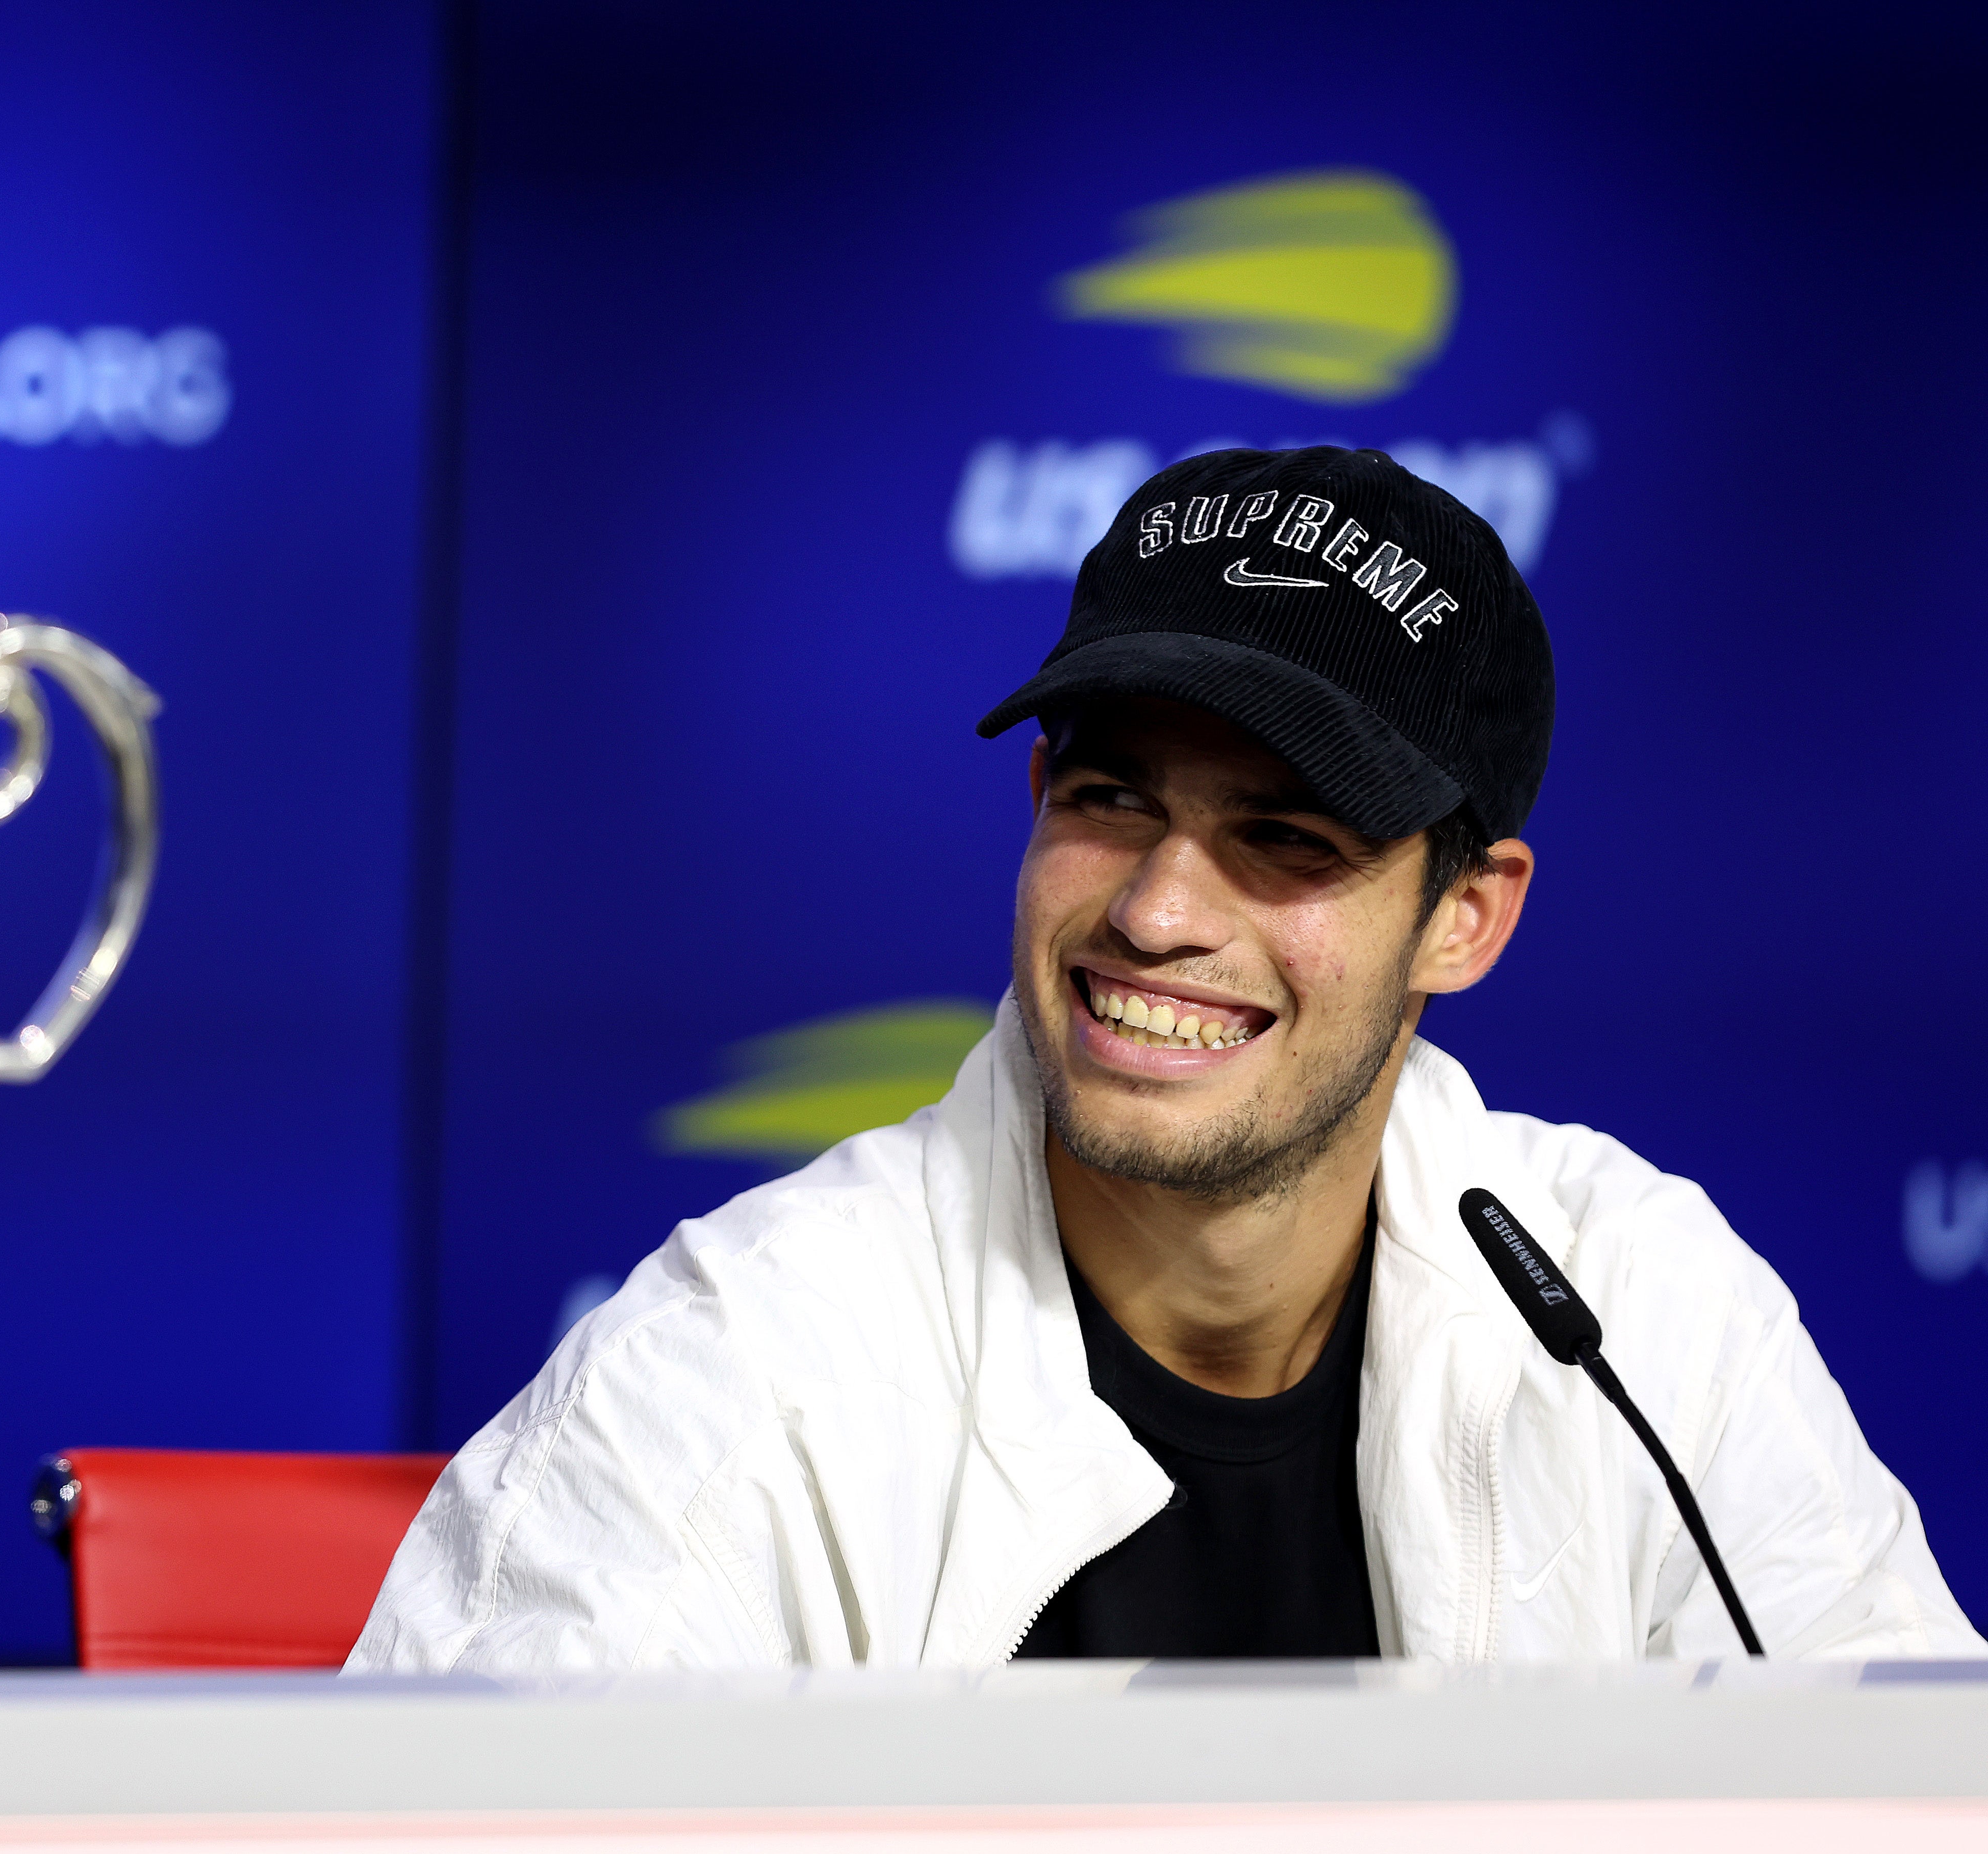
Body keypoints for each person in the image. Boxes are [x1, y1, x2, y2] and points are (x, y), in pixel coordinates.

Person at [348, 446, 1979, 1669]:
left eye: (1284, 836)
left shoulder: (1645, 1325)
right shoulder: (724, 1388)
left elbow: (1909, 1826)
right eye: (1111, 800)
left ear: (1464, 921)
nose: (1156, 911)